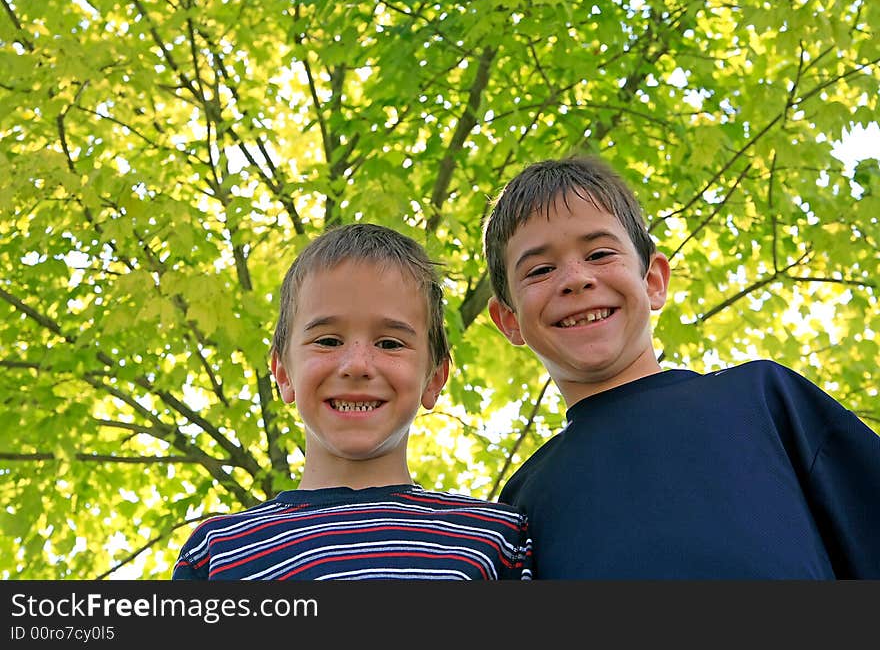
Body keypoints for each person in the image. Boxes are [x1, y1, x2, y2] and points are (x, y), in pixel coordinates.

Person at [482, 154, 880, 579]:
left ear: (653, 281)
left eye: (599, 253)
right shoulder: (521, 503)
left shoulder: (763, 400)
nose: (576, 278)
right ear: (509, 320)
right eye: (541, 269)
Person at [172, 223, 532, 580]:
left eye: (390, 343)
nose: (357, 365)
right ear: (283, 374)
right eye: (328, 341)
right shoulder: (218, 553)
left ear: (434, 378)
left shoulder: (495, 541)